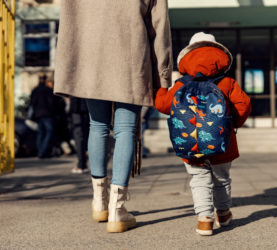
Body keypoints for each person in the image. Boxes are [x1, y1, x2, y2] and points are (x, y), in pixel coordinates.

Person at [54, 1, 172, 233]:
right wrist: (164, 75)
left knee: (96, 126)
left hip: (91, 59)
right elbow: (160, 27)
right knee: (126, 129)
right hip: (131, 56)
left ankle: (99, 202)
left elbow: (69, 22)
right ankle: (117, 209)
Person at [155, 32, 251, 236]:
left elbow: (163, 105)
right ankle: (223, 214)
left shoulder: (181, 84)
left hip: (190, 143)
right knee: (222, 178)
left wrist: (162, 90)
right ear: (219, 56)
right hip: (223, 141)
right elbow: (244, 105)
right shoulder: (227, 82)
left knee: (199, 179)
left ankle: (204, 220)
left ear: (187, 57)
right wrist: (233, 124)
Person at [30, 73, 55, 158]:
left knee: (40, 133)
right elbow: (52, 102)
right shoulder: (47, 90)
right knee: (49, 132)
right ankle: (42, 151)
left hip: (38, 114)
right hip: (47, 113)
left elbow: (32, 103)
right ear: (45, 80)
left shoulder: (35, 90)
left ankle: (40, 151)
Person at [69, 97, 90, 174]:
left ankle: (81, 164)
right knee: (86, 135)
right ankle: (83, 163)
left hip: (78, 107)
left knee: (79, 135)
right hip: (88, 105)